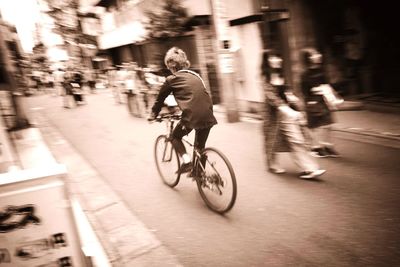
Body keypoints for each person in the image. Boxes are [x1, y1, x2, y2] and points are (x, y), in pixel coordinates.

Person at [148, 47, 217, 174]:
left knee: (174, 136)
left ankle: (187, 162)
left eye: (169, 67)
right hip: (208, 114)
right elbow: (194, 95)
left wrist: (153, 115)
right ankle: (200, 175)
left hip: (193, 116)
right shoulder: (196, 75)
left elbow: (159, 100)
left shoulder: (171, 79)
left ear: (171, 65)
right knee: (199, 147)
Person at [261, 49, 326, 179]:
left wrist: (294, 101)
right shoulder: (265, 79)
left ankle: (309, 169)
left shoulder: (281, 76)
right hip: (273, 116)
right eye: (273, 58)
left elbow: (287, 93)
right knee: (272, 142)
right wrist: (290, 111)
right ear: (267, 61)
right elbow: (273, 98)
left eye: (278, 57)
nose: (278, 60)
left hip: (286, 115)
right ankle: (272, 163)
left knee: (296, 140)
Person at [300, 48, 340, 158]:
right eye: (315, 54)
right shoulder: (305, 74)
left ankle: (327, 145)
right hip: (312, 101)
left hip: (323, 100)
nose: (318, 55)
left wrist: (334, 97)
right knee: (314, 126)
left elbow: (327, 85)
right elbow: (305, 91)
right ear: (309, 58)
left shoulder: (321, 71)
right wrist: (315, 91)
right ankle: (315, 147)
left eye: (317, 53)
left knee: (328, 123)